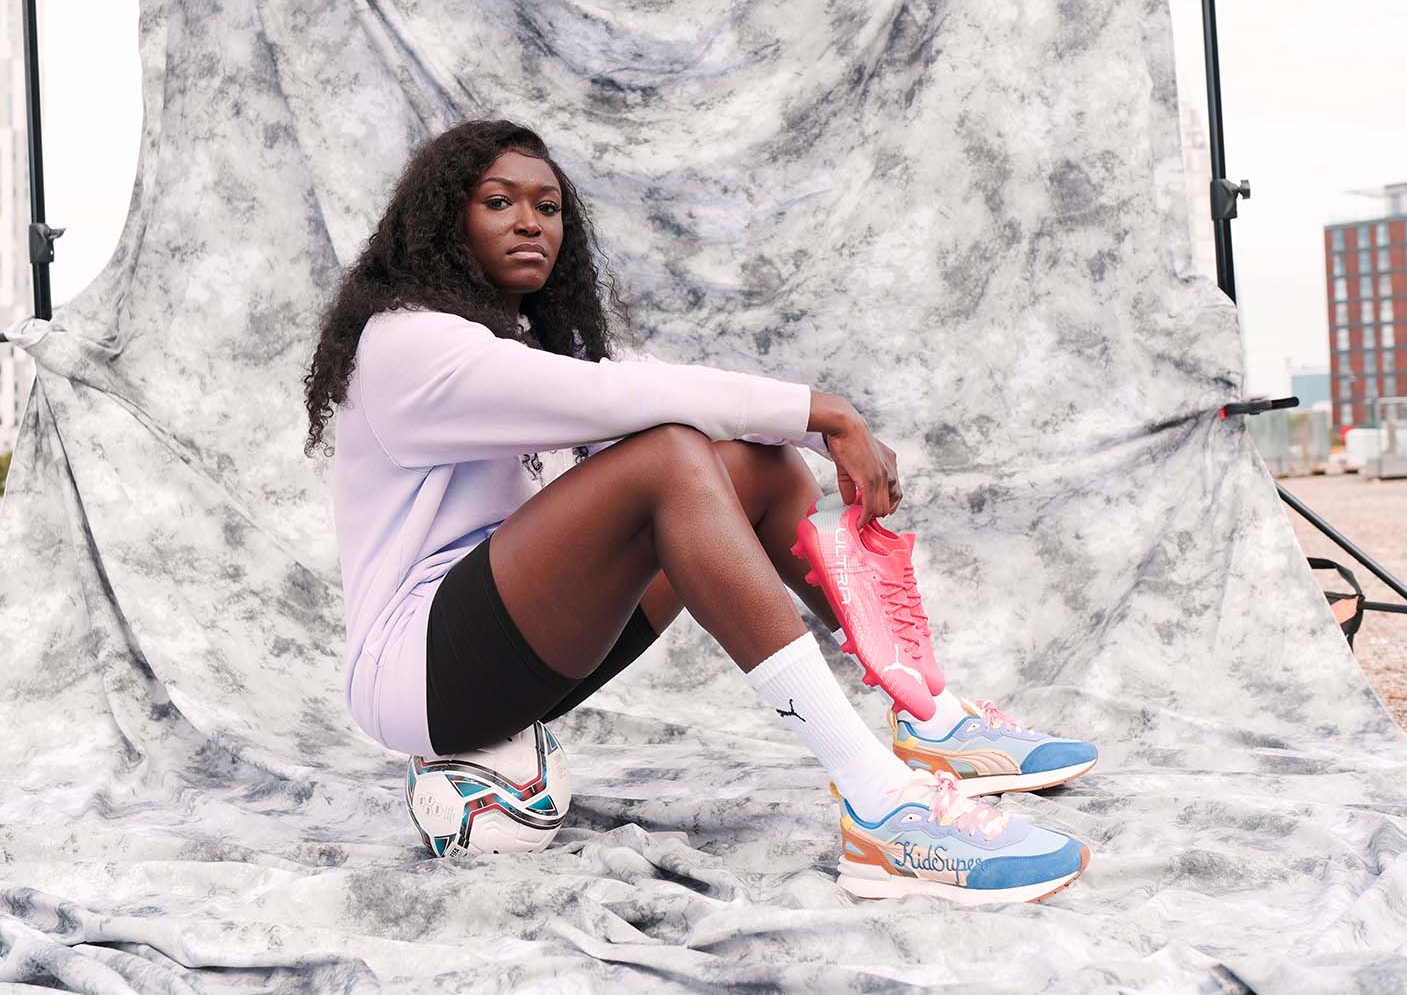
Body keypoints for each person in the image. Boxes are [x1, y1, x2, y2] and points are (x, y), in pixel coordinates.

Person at [302, 119, 1096, 904]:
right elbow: (624, 398)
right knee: (669, 459)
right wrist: (826, 412)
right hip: (416, 676)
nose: (530, 223)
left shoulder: (521, 340)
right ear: (446, 219)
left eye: (548, 208)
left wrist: (812, 431)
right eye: (499, 202)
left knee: (755, 466)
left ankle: (931, 716)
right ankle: (882, 805)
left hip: (507, 653)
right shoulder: (408, 343)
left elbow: (666, 386)